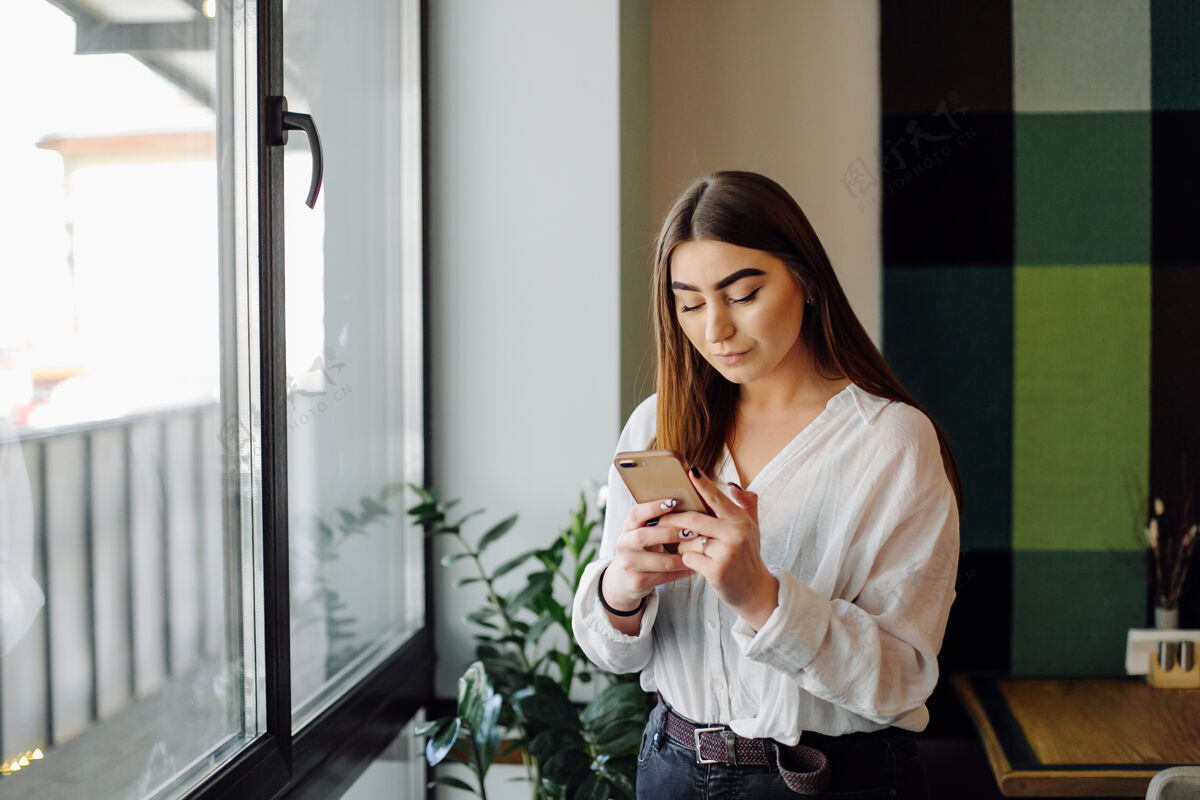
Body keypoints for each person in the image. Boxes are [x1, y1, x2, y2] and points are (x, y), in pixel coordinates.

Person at [572, 171, 961, 799]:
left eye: (743, 293)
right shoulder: (657, 422)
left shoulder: (891, 441)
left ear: (804, 279)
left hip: (826, 777)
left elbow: (902, 679)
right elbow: (613, 655)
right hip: (668, 766)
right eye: (690, 303)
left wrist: (763, 599)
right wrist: (623, 588)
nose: (715, 329)